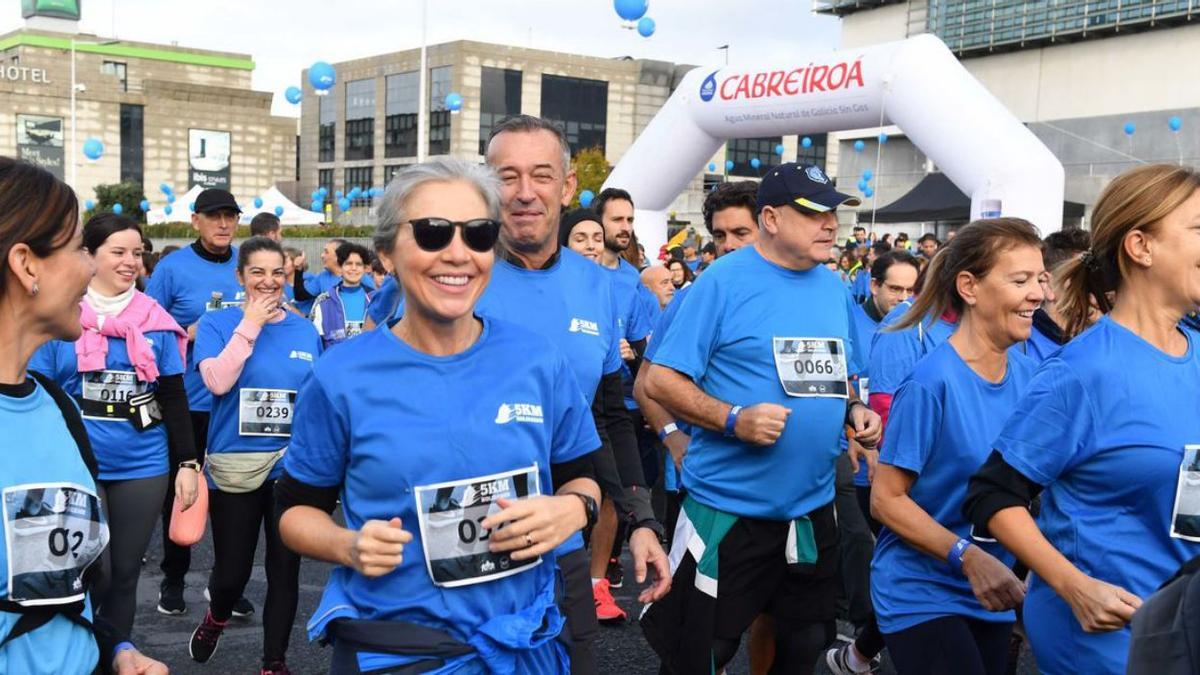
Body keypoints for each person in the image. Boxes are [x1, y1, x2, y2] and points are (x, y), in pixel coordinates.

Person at [277, 158, 603, 673]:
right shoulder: (340, 376)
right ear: (386, 251)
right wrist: (347, 545)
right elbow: (293, 512)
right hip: (401, 652)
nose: (458, 254)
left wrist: (573, 510)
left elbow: (581, 478)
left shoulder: (538, 360)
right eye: (431, 234)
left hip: (526, 643)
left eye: (478, 234)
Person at [640, 163, 881, 674]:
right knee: (703, 652)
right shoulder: (723, 281)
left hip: (810, 511)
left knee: (805, 642)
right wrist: (732, 419)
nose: (830, 224)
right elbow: (659, 381)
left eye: (834, 212)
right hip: (729, 512)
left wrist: (854, 413)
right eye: (814, 213)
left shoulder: (834, 287)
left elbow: (840, 378)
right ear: (770, 218)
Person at [964, 164, 1200, 675]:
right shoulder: (1083, 372)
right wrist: (1075, 587)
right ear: (1141, 247)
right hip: (1112, 637)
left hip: (1187, 625)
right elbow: (992, 494)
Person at [480, 115, 669, 673]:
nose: (523, 192)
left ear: (566, 188)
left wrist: (640, 521)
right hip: (464, 534)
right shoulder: (456, 270)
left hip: (562, 529)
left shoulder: (597, 285)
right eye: (506, 176)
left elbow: (608, 415)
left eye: (541, 175)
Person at [0, 157, 167, 674]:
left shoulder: (59, 409)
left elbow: (66, 584)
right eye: (78, 249)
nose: (93, 268)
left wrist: (115, 649)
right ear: (27, 264)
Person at [869, 219, 1044, 675]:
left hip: (994, 590)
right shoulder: (931, 383)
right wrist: (965, 556)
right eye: (1020, 280)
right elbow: (886, 500)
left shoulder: (1029, 380)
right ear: (969, 286)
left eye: (1040, 279)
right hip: (923, 589)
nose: (1038, 294)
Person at [30, 213, 199, 640]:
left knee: (125, 574)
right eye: (118, 252)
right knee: (92, 569)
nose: (130, 262)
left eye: (137, 253)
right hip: (76, 462)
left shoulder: (155, 318)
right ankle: (82, 647)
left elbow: (173, 395)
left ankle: (116, 655)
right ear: (89, 255)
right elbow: (41, 390)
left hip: (143, 462)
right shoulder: (63, 315)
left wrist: (188, 463)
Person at [187, 237, 321, 673]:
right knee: (231, 575)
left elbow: (317, 399)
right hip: (235, 466)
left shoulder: (304, 329)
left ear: (289, 276)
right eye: (258, 272)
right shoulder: (217, 324)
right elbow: (218, 383)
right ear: (240, 277)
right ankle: (217, 614)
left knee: (285, 569)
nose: (269, 282)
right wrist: (250, 325)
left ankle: (273, 662)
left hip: (291, 467)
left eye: (277, 273)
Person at [145, 187, 255, 617]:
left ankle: (226, 583)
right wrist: (182, 331)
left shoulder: (247, 267)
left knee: (234, 499)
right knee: (183, 494)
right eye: (214, 216)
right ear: (196, 221)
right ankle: (173, 580)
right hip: (188, 400)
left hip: (236, 404)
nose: (224, 224)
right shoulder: (172, 268)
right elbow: (145, 327)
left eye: (230, 216)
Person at [825, 249, 920, 675]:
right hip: (843, 450)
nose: (903, 298)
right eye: (894, 288)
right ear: (873, 285)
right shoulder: (850, 320)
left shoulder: (915, 326)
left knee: (890, 546)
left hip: (893, 458)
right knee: (860, 540)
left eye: (911, 290)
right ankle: (860, 629)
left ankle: (865, 641)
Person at [590, 187, 658, 618]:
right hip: (571, 401)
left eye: (630, 220)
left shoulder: (633, 280)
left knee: (613, 493)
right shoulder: (570, 273)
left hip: (618, 401)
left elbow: (645, 348)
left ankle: (597, 583)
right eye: (617, 220)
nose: (625, 228)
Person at [1024, 227, 1090, 363]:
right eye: (1082, 277)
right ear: (1047, 284)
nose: (1096, 285)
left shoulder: (1105, 343)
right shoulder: (1019, 346)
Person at [311, 242, 376, 348]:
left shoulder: (377, 300)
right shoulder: (323, 302)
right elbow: (315, 344)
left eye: (358, 264)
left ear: (365, 269)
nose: (353, 268)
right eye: (348, 263)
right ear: (340, 268)